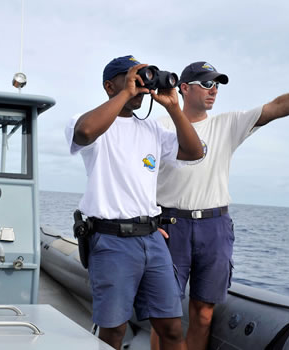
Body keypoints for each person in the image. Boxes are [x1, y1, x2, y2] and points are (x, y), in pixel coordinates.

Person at [152, 61, 289, 350]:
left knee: (203, 314)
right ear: (184, 88)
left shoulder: (228, 123)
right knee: (166, 315)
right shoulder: (158, 127)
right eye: (206, 84)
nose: (213, 90)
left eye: (217, 85)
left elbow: (277, 107)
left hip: (214, 227)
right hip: (170, 225)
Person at [65, 55, 203, 350]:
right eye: (133, 78)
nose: (141, 86)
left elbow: (194, 153)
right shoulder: (89, 122)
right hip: (110, 239)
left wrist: (174, 108)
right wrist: (127, 92)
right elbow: (84, 133)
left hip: (152, 239)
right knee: (113, 331)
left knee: (172, 328)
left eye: (144, 79)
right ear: (108, 85)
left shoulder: (152, 130)